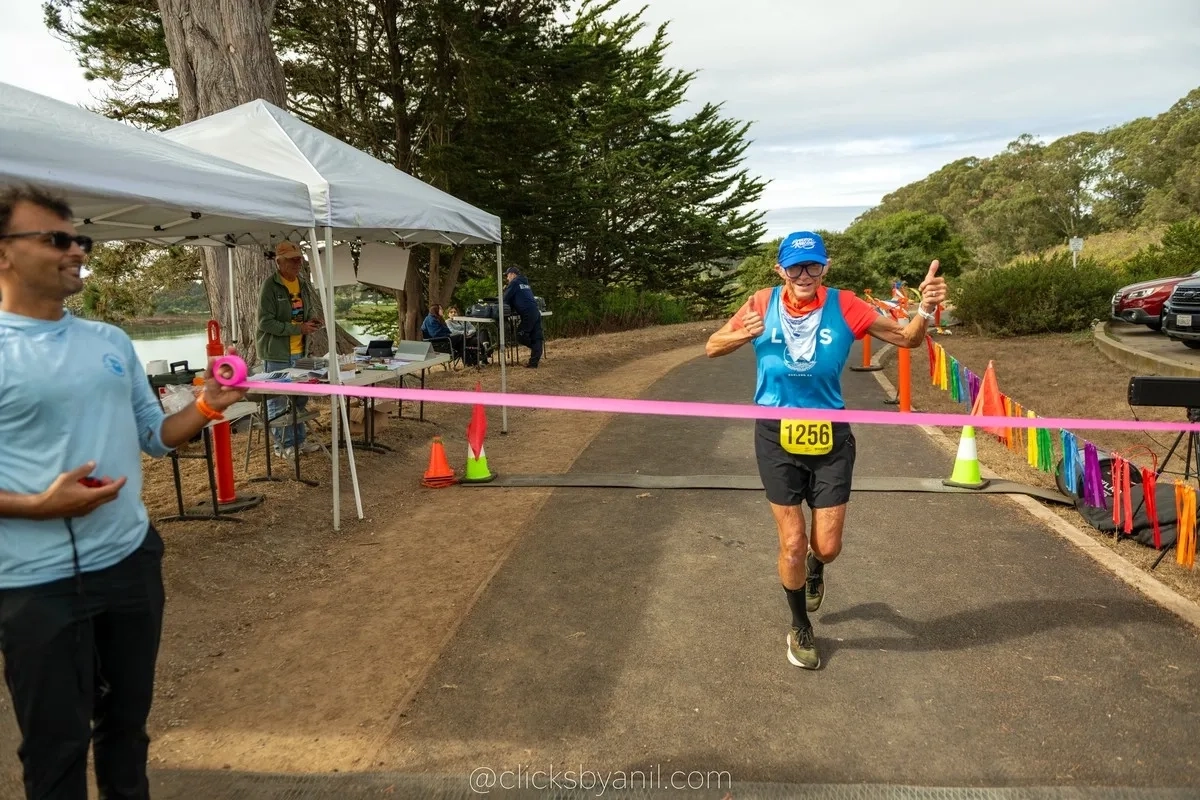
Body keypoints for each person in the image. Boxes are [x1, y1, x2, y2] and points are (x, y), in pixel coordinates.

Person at [0, 184, 248, 799]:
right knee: (56, 749)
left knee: (127, 730)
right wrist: (36, 506)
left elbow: (155, 435)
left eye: (78, 237)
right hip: (33, 586)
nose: (76, 249)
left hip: (131, 562)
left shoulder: (109, 340)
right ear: (4, 254)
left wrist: (208, 406)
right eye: (55, 238)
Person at [705, 231, 946, 670]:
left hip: (830, 436)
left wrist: (925, 308)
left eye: (812, 265)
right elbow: (712, 346)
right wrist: (743, 334)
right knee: (792, 542)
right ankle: (800, 625)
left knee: (827, 546)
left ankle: (819, 567)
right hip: (776, 433)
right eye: (794, 267)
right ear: (780, 269)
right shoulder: (760, 302)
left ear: (825, 267)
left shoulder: (847, 304)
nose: (804, 275)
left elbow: (908, 339)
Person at [256, 241, 323, 456]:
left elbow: (308, 307)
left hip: (300, 350)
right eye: (293, 259)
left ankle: (299, 442)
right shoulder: (270, 285)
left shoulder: (302, 283)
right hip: (276, 353)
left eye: (299, 258)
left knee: (300, 397)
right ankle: (283, 446)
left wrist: (311, 320)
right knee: (279, 400)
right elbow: (265, 322)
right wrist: (297, 328)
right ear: (279, 262)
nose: (298, 262)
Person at [502, 266, 544, 368]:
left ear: (512, 274)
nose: (507, 278)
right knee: (537, 336)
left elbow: (505, 299)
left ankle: (534, 348)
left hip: (527, 314)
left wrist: (505, 290)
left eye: (507, 276)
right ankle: (533, 363)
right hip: (536, 312)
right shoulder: (525, 284)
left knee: (521, 335)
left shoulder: (514, 283)